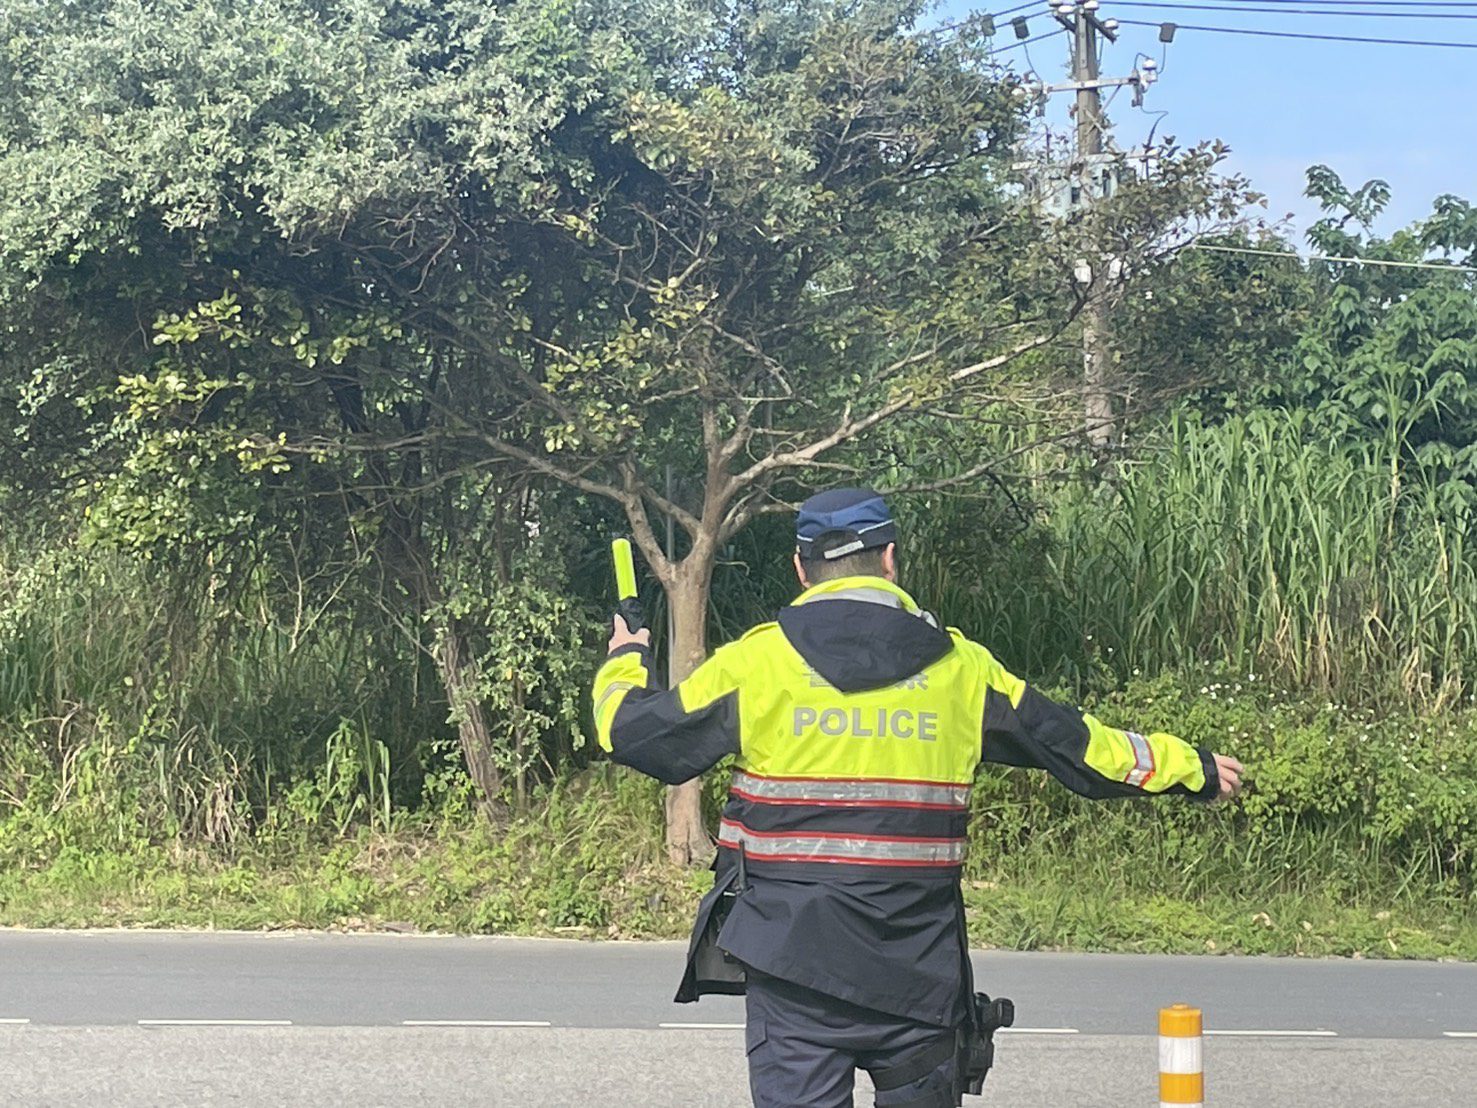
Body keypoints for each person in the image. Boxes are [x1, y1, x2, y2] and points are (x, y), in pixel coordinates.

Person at [592, 487, 1244, 1108]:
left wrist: (626, 656)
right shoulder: (961, 670)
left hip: (792, 976)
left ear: (801, 567)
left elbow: (630, 734)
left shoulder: (758, 664)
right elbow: (1084, 750)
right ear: (890, 560)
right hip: (917, 976)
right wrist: (1195, 768)